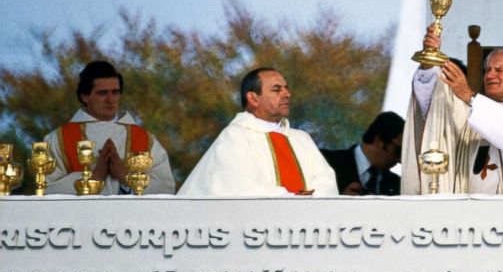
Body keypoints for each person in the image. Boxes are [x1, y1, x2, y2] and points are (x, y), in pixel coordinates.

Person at [401, 28, 503, 194]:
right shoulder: (473, 111)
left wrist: (469, 96)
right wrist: (430, 60)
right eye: (487, 70)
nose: (490, 75)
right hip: (468, 211)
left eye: (499, 70)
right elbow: (435, 107)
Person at [178, 68, 338, 197]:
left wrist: (314, 198)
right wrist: (291, 199)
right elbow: (238, 187)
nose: (287, 94)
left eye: (286, 88)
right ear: (253, 99)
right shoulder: (235, 136)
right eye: (277, 90)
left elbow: (326, 182)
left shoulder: (301, 139)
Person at [43, 60, 174, 195]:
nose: (111, 100)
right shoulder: (60, 139)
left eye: (115, 92)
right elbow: (45, 189)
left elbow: (166, 189)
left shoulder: (144, 139)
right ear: (85, 96)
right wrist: (95, 177)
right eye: (102, 93)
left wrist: (124, 176)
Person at [322, 111, 404, 195]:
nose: (400, 160)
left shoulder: (399, 186)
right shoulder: (324, 162)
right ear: (379, 142)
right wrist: (337, 199)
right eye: (399, 151)